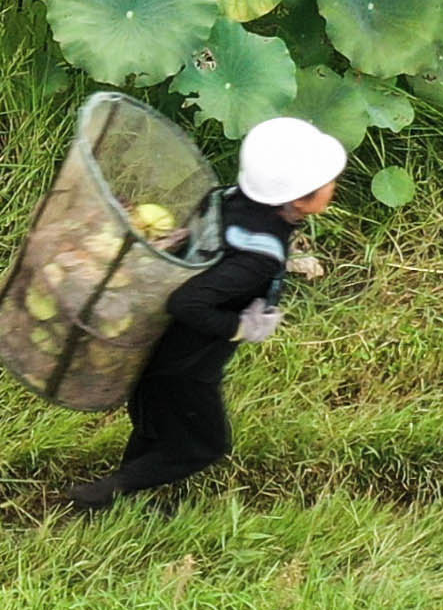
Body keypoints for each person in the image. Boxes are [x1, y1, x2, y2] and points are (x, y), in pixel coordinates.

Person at [76, 114, 341, 514]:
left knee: (156, 429)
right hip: (184, 365)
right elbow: (186, 304)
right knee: (203, 446)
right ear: (300, 199)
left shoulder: (228, 199)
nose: (334, 184)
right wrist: (241, 327)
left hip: (155, 343)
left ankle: (123, 501)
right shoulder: (257, 259)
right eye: (327, 182)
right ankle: (104, 494)